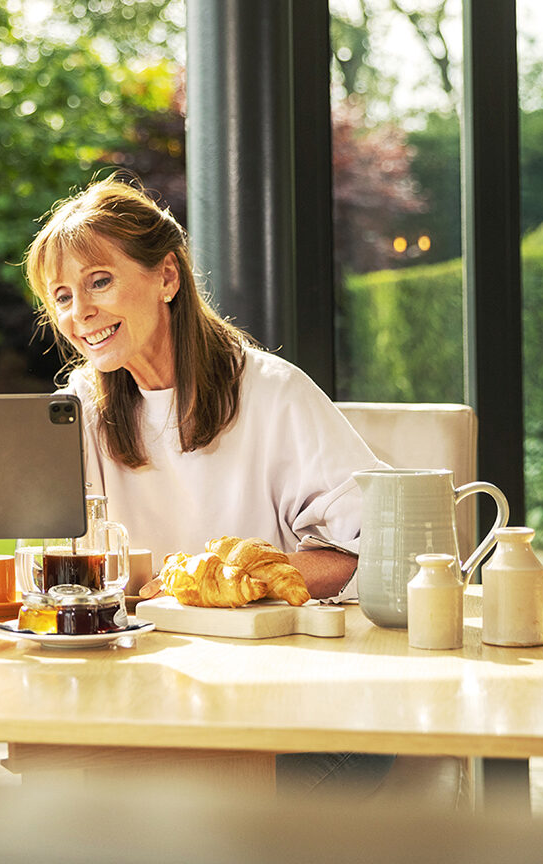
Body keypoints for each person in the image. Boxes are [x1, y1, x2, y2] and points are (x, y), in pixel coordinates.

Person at [24, 173, 390, 795]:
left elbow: (376, 544)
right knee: (52, 759)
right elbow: (56, 561)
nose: (78, 313)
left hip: (277, 685)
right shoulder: (78, 409)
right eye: (60, 297)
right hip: (143, 686)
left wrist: (235, 588)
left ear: (167, 277)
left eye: (99, 281)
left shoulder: (273, 391)